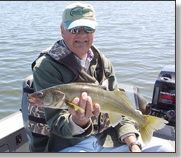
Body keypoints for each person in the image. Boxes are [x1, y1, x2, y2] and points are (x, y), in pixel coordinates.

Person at [29, 2, 174, 152]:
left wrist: (133, 144)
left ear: (95, 30)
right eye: (74, 29)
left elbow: (121, 111)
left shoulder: (103, 62)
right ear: (62, 30)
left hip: (107, 140)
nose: (82, 34)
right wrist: (79, 120)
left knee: (163, 149)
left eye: (88, 29)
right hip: (70, 145)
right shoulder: (46, 67)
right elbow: (56, 122)